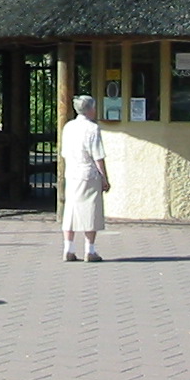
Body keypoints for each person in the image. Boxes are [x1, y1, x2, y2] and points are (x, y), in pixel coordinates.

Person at [60, 94, 110, 262]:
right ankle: (90, 250)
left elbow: (65, 153)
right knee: (90, 210)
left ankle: (69, 247)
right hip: (88, 173)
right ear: (89, 109)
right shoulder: (92, 128)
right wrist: (104, 177)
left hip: (72, 172)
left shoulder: (68, 127)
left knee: (71, 209)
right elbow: (98, 156)